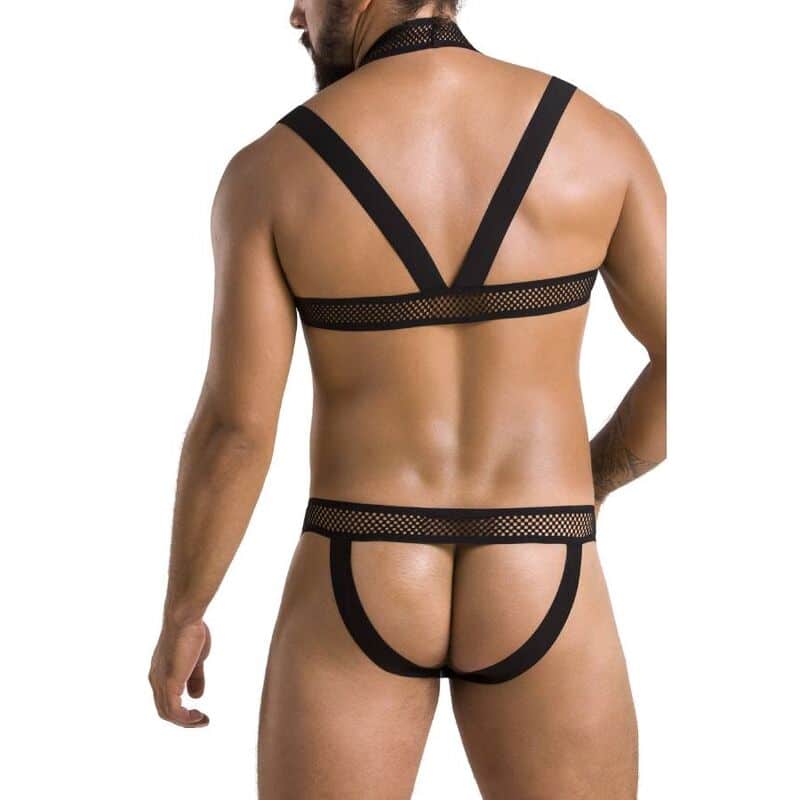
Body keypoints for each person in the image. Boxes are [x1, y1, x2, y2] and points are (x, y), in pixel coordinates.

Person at [149, 1, 666, 797]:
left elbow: (236, 430)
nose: (295, 14)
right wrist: (589, 482)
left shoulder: (272, 171)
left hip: (360, 559)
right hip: (542, 556)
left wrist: (184, 611)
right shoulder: (598, 141)